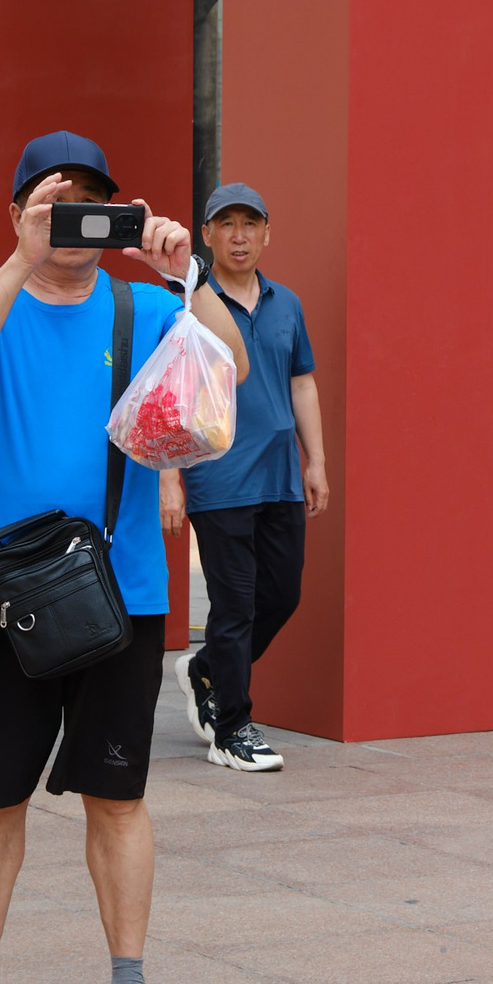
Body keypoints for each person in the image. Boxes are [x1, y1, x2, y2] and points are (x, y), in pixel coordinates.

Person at [0, 131, 246, 984]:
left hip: (122, 589)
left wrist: (185, 277)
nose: (74, 220)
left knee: (118, 795)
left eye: (91, 202)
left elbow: (231, 371)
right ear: (20, 209)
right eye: (55, 202)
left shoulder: (148, 305)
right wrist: (20, 258)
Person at [180, 183, 327, 774]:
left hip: (281, 475)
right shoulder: (191, 304)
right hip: (218, 478)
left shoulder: (286, 303)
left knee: (282, 595)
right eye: (227, 224)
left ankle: (205, 670)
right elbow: (172, 391)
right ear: (207, 235)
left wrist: (316, 461)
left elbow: (302, 383)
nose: (239, 236)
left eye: (250, 224)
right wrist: (169, 478)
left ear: (267, 233)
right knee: (235, 604)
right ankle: (232, 727)